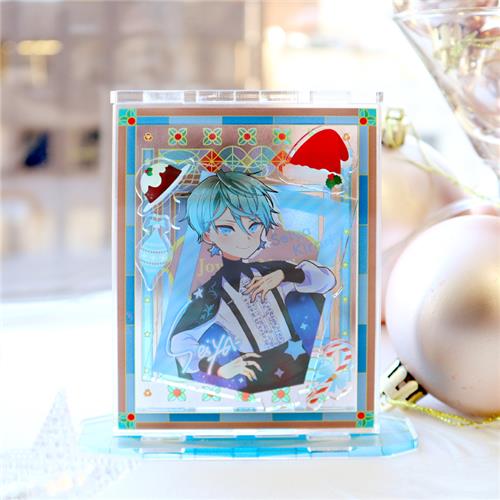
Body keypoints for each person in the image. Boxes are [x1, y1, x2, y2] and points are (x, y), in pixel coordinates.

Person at [168, 170, 335, 393]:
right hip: (254, 375)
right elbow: (179, 342)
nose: (245, 238)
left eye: (254, 226)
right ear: (208, 235)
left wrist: (285, 275)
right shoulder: (212, 293)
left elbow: (326, 281)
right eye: (227, 229)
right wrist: (217, 368)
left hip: (299, 362)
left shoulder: (275, 271)